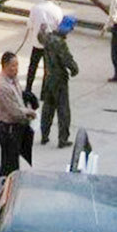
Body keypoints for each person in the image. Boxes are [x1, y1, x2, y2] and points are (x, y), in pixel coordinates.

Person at [0, 52, 37, 178]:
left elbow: (17, 97)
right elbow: (14, 111)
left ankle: (6, 187)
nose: (16, 69)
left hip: (17, 128)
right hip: (9, 130)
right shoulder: (2, 86)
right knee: (9, 166)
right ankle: (4, 188)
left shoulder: (13, 80)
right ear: (5, 66)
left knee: (12, 164)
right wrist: (29, 113)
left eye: (17, 65)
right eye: (12, 66)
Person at [38, 17, 79, 148]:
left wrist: (41, 29)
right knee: (63, 110)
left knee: (48, 108)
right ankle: (63, 139)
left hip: (48, 78)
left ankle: (44, 135)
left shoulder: (48, 38)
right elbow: (67, 60)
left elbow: (40, 37)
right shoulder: (60, 43)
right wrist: (74, 69)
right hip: (59, 79)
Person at [25, 0, 63, 94]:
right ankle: (44, 92)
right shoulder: (57, 10)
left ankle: (28, 89)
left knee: (33, 67)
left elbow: (30, 23)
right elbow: (59, 26)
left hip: (37, 42)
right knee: (48, 69)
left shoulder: (35, 8)